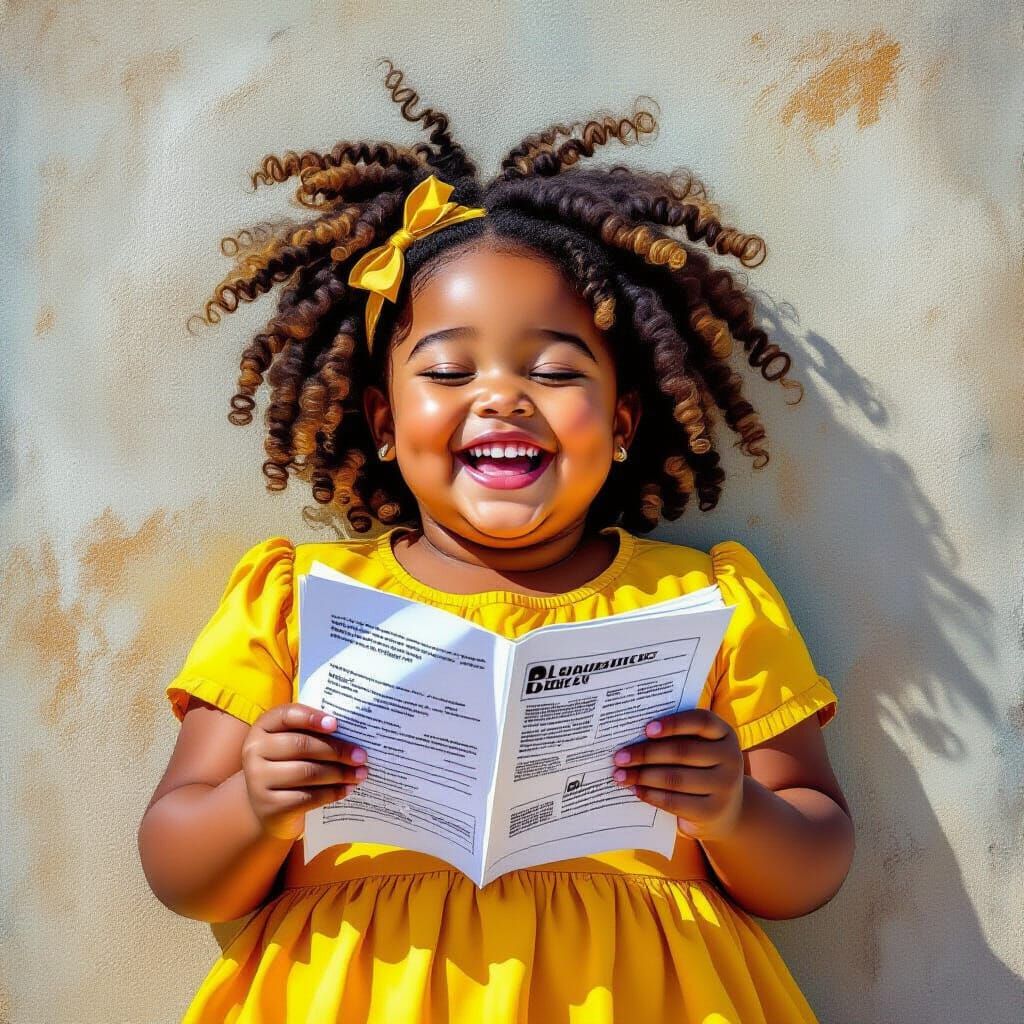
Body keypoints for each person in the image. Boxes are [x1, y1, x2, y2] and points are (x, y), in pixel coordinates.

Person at [138, 60, 854, 1024]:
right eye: (449, 368)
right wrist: (254, 802)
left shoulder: (708, 604)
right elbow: (181, 871)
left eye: (554, 371)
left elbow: (810, 862)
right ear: (382, 422)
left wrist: (734, 807)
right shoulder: (295, 599)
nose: (501, 396)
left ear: (626, 419)